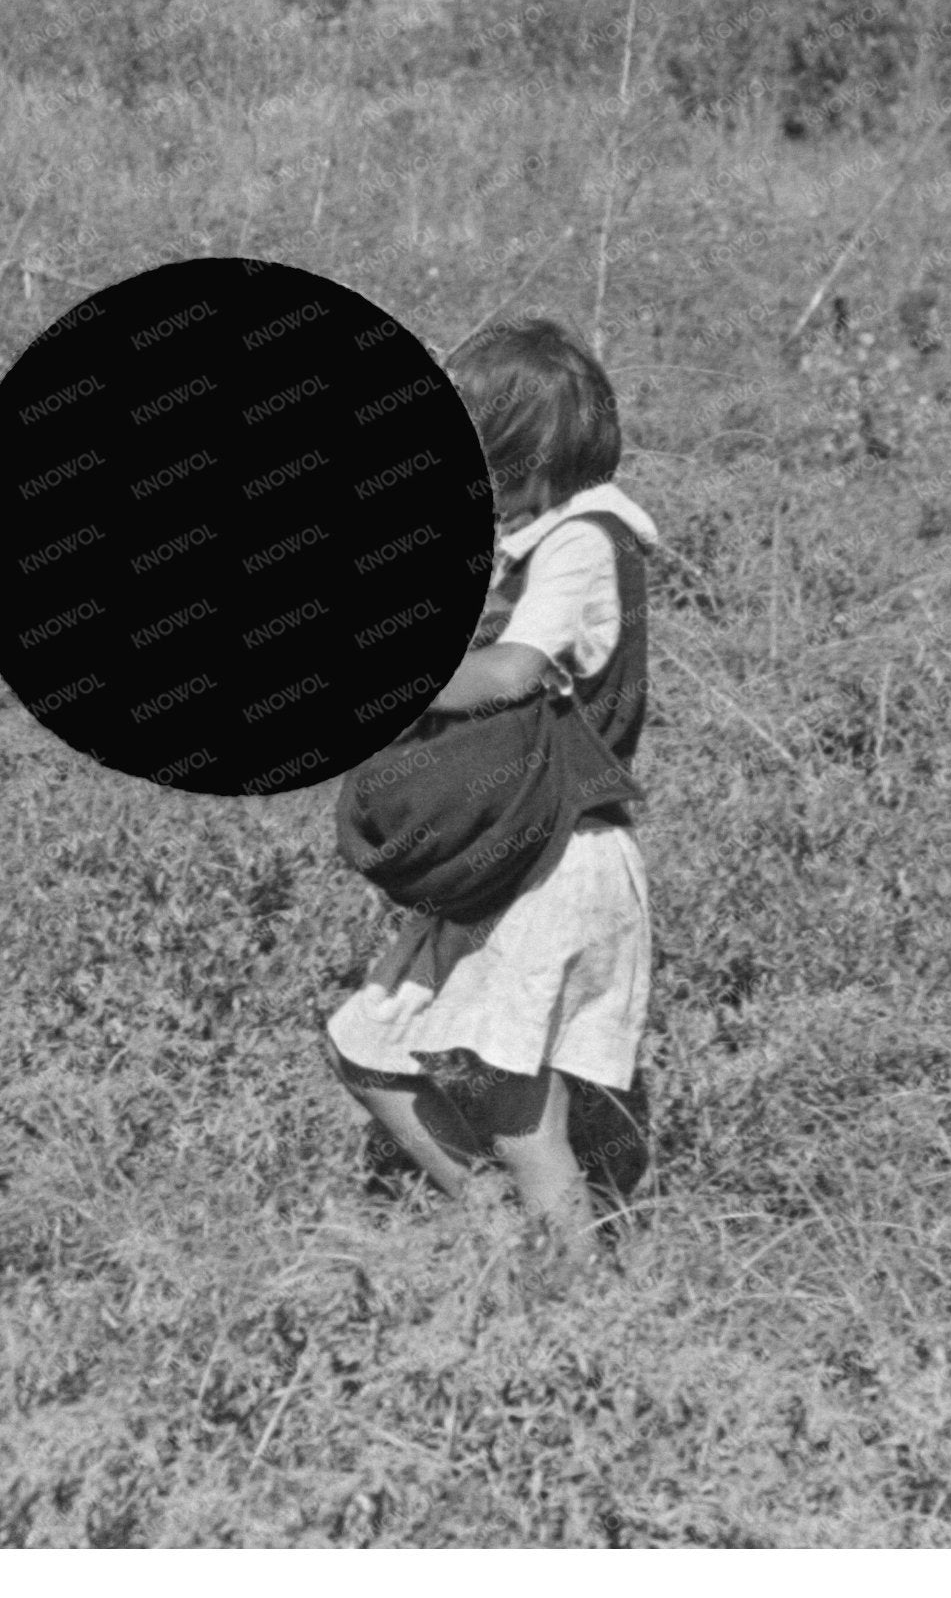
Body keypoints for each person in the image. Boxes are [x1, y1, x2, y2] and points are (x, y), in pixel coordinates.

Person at [326, 316, 658, 1261]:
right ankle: (499, 1245)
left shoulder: (584, 542)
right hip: (501, 857)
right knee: (369, 1051)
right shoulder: (524, 537)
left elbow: (511, 672)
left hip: (558, 853)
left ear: (525, 454)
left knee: (519, 1119)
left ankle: (585, 1323)